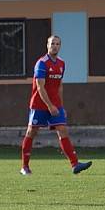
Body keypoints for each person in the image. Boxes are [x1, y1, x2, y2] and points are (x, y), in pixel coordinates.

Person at [20, 35, 92, 176]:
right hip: (39, 104)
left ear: (60, 46)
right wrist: (49, 106)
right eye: (52, 43)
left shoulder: (61, 64)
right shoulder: (41, 63)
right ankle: (25, 166)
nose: (55, 46)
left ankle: (75, 164)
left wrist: (60, 106)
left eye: (57, 44)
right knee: (31, 133)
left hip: (55, 105)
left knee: (63, 130)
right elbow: (40, 87)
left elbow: (59, 86)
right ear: (47, 45)